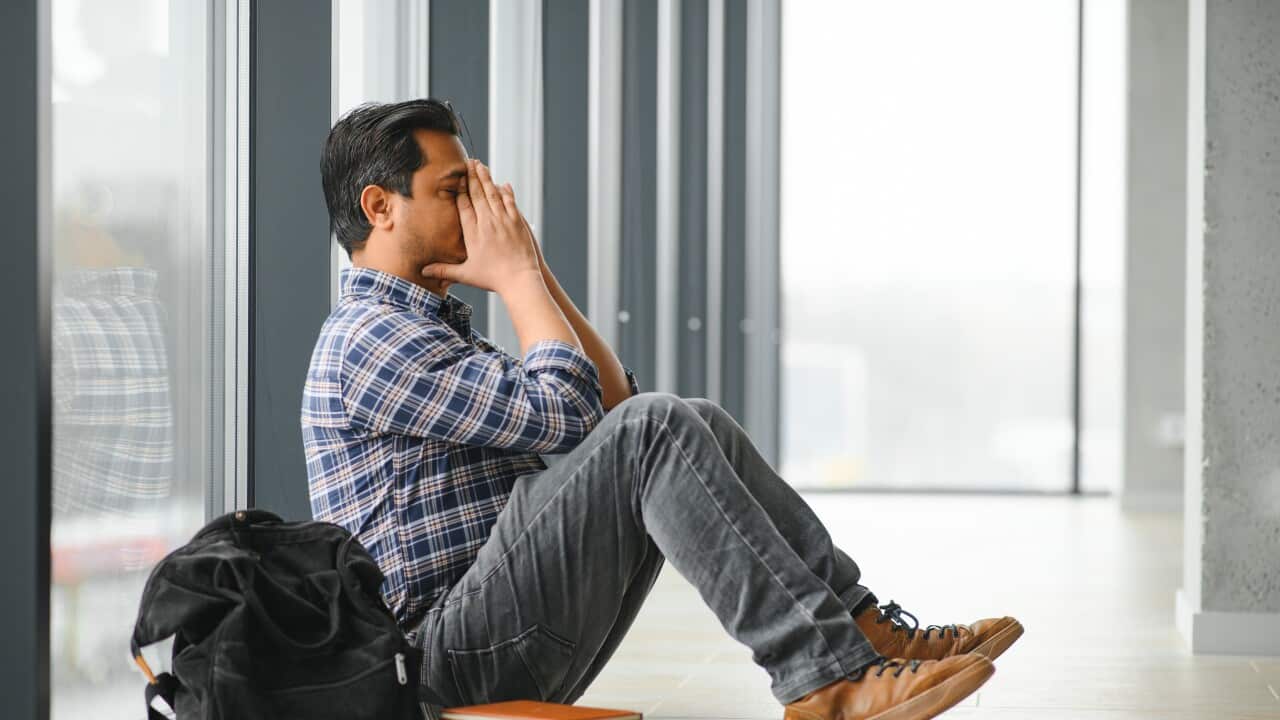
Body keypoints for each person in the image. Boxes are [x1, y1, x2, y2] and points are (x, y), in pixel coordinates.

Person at [302, 98, 1023, 720]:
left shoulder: (432, 331)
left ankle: (861, 632)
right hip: (439, 662)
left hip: (490, 628)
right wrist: (517, 278)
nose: (479, 207)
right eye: (455, 188)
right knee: (657, 428)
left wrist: (534, 267)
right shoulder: (370, 339)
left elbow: (616, 401)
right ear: (380, 207)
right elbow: (572, 416)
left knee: (689, 416)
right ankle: (827, 682)